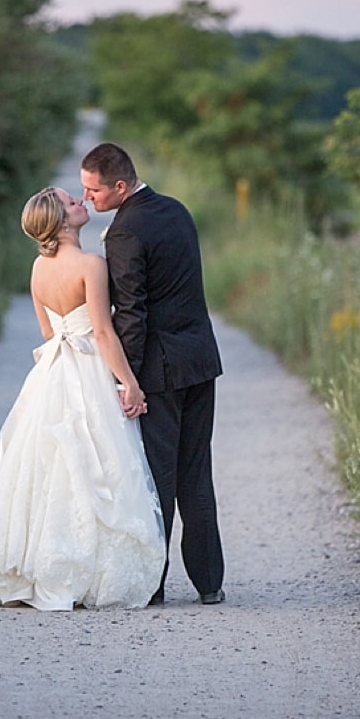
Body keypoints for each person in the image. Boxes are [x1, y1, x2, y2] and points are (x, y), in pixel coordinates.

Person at [0, 187, 166, 611]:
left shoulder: (37, 269)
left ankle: (37, 565)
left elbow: (50, 333)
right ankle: (85, 569)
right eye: (71, 202)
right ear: (61, 222)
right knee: (95, 465)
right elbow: (102, 332)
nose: (80, 202)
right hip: (88, 372)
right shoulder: (90, 265)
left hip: (53, 372)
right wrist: (130, 384)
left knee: (48, 467)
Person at [80, 142, 225, 606]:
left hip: (160, 371)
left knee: (158, 477)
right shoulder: (177, 210)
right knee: (196, 473)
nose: (87, 200)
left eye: (93, 191)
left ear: (119, 186)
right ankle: (209, 584)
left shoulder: (125, 233)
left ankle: (152, 584)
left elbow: (132, 315)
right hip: (200, 360)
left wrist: (128, 380)